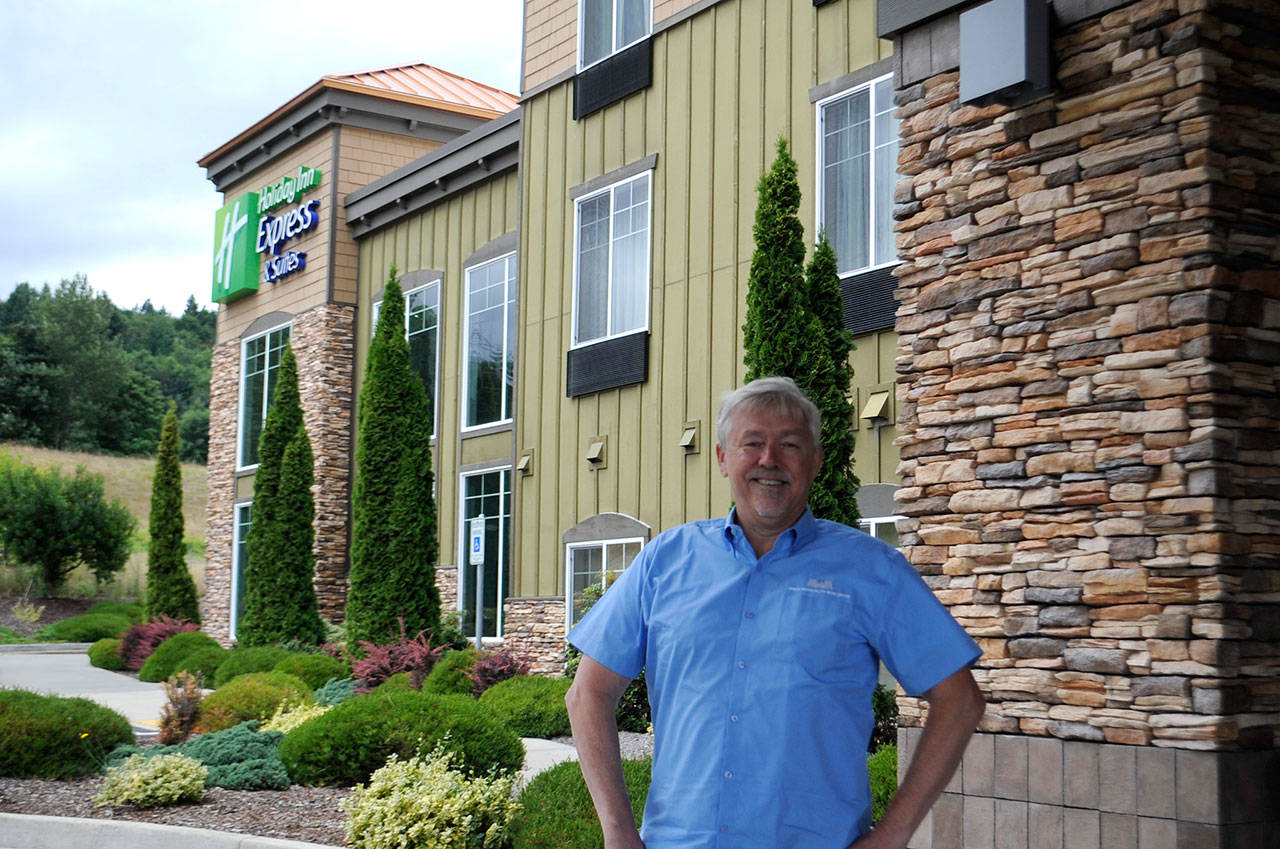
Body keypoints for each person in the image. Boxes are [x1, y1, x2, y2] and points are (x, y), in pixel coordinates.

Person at [566, 376, 984, 849]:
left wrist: (894, 835)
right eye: (752, 444)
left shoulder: (872, 570)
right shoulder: (664, 561)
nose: (769, 460)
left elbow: (960, 701)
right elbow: (587, 696)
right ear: (723, 458)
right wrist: (618, 832)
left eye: (790, 445)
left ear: (816, 461)